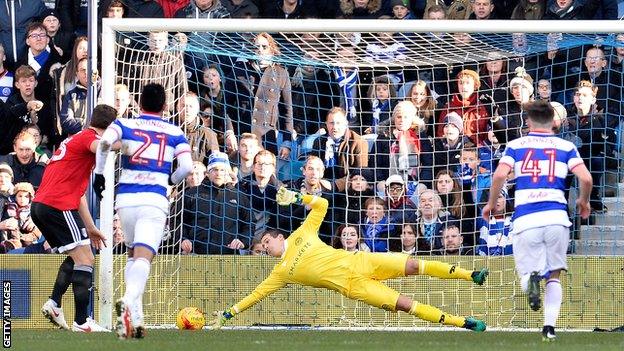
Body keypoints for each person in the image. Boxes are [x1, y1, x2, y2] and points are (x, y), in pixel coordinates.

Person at [207, 187, 489, 331]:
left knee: (414, 264)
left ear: (279, 237)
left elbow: (322, 204)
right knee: (405, 304)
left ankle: (470, 275)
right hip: (354, 287)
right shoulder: (280, 273)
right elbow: (256, 295)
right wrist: (230, 313)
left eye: (266, 242)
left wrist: (296, 197)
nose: (265, 248)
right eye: (261, 248)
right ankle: (462, 322)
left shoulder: (302, 233)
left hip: (361, 261)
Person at [482, 100, 593, 341]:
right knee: (554, 275)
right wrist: (583, 202)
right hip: (557, 218)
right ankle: (549, 328)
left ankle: (531, 280)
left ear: (529, 121)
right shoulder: (566, 146)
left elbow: (500, 174)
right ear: (554, 122)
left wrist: (491, 204)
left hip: (526, 217)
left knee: (526, 273)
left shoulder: (516, 145)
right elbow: (585, 178)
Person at [92, 83, 193, 339]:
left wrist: (100, 173)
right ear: (165, 106)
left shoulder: (124, 124)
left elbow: (104, 143)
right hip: (153, 200)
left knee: (132, 255)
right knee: (144, 257)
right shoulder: (174, 131)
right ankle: (126, 300)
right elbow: (187, 168)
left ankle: (136, 321)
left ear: (139, 103)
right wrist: (171, 180)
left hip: (125, 199)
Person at [31, 104, 117, 332]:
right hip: (56, 206)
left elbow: (78, 195)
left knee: (81, 254)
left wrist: (90, 226)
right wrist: (131, 144)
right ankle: (82, 322)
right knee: (85, 260)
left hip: (44, 205)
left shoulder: (73, 142)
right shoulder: (88, 139)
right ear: (108, 128)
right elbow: (103, 146)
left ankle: (54, 304)